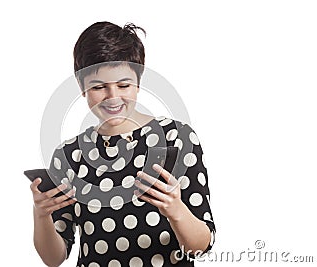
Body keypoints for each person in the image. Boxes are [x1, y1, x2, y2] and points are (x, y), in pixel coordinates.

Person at [29, 21, 216, 267]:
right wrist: (41, 215)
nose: (113, 97)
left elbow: (201, 248)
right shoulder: (69, 155)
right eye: (99, 87)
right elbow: (54, 258)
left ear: (138, 81)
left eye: (124, 85)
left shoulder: (176, 137)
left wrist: (175, 209)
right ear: (82, 87)